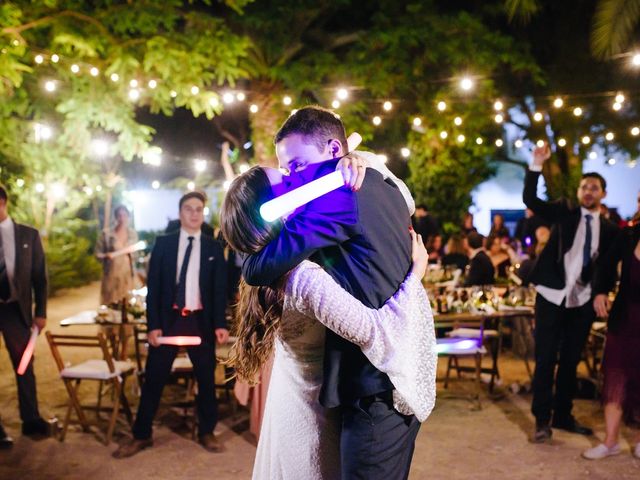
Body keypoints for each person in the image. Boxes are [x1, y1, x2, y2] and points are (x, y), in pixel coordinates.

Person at [241, 106, 423, 479]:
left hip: (374, 387)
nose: (293, 178)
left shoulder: (336, 198)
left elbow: (256, 269)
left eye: (296, 165)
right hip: (387, 382)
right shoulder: (381, 184)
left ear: (333, 149)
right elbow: (406, 197)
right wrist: (357, 159)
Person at [113, 191, 228, 458]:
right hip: (168, 320)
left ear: (203, 213)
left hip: (200, 321)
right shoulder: (163, 244)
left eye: (199, 209)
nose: (194, 213)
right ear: (180, 213)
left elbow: (219, 289)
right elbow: (153, 286)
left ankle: (206, 432)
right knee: (154, 379)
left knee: (206, 379)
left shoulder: (212, 247)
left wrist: (220, 323)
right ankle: (141, 435)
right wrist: (153, 325)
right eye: (189, 208)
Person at [523, 142, 619, 443]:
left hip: (582, 302)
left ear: (603, 194)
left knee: (570, 361)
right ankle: (542, 420)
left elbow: (607, 268)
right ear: (579, 192)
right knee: (545, 358)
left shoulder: (611, 230)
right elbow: (531, 199)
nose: (588, 191)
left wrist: (602, 291)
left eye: (594, 187)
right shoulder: (564, 211)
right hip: (552, 296)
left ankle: (563, 415)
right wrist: (536, 165)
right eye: (584, 187)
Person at [582, 222, 640, 460]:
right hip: (625, 318)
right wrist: (601, 291)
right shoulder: (628, 236)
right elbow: (604, 265)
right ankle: (610, 442)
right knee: (615, 376)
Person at [0, 184, 49, 446]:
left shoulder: (27, 235)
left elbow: (40, 277)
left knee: (24, 364)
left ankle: (30, 419)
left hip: (15, 309)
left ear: (2, 202)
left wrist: (40, 312)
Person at [95, 205, 139, 306]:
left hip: (127, 275)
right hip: (111, 275)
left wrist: (131, 254)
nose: (122, 218)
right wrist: (107, 255)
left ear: (128, 217)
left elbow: (136, 254)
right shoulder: (107, 234)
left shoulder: (132, 234)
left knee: (128, 304)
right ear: (115, 217)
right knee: (111, 304)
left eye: (124, 215)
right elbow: (98, 254)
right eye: (119, 215)